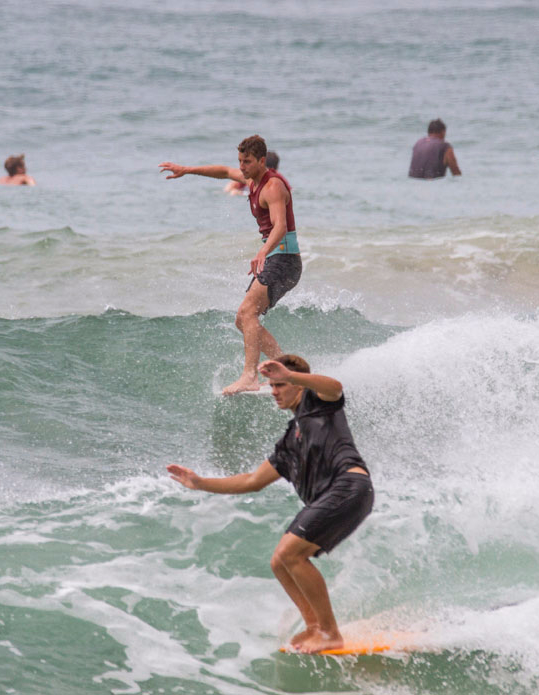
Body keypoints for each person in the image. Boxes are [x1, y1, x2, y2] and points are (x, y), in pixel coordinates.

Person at [167, 355, 373, 654]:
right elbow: (252, 481)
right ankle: (315, 626)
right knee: (280, 562)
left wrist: (293, 375)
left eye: (280, 385)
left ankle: (330, 632)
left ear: (299, 386)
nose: (274, 391)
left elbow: (335, 386)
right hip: (340, 496)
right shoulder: (291, 440)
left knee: (290, 554)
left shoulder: (318, 403)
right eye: (272, 385)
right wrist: (200, 483)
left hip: (349, 486)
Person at [160, 135, 301, 395]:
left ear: (261, 160)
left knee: (248, 313)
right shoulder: (251, 179)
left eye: (247, 162)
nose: (242, 166)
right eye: (240, 161)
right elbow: (224, 172)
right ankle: (285, 368)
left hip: (284, 260)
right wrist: (186, 170)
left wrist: (263, 250)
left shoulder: (273, 187)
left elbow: (280, 226)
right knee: (243, 320)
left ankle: (250, 377)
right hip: (275, 258)